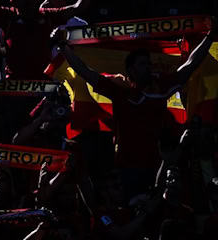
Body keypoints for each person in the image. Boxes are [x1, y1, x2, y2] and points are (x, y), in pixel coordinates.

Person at [52, 23, 214, 196]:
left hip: (156, 166)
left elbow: (190, 65)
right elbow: (85, 72)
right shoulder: (120, 91)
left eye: (149, 63)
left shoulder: (161, 88)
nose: (149, 67)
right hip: (126, 167)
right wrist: (63, 47)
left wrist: (210, 37)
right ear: (131, 70)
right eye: (143, 64)